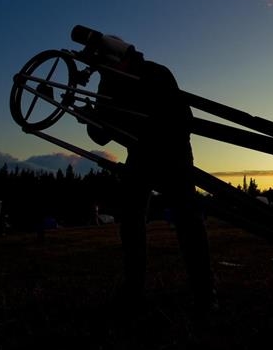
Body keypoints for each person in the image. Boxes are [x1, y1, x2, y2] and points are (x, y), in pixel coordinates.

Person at [83, 32, 217, 315]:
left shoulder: (156, 73)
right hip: (140, 155)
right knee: (130, 219)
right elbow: (101, 136)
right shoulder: (107, 81)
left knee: (188, 220)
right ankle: (133, 289)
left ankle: (205, 292)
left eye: (109, 65)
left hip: (173, 152)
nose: (105, 72)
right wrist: (90, 118)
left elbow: (182, 120)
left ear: (125, 57)